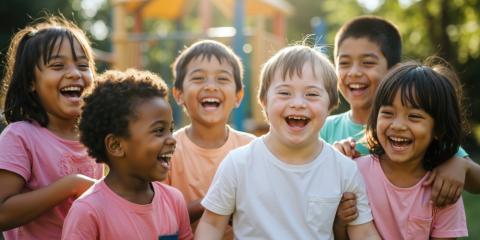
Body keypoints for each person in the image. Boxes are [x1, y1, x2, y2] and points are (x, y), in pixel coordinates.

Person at [195, 45, 380, 239]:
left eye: (312, 94)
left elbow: (364, 233)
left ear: (331, 105)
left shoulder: (343, 169)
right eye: (284, 93)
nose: (298, 103)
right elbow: (212, 225)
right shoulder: (239, 164)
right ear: (264, 102)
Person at [323, 16, 477, 210]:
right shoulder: (324, 128)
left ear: (393, 71)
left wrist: (460, 165)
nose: (354, 72)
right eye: (344, 63)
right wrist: (330, 160)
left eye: (368, 63)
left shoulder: (419, 129)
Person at [0, 16, 103, 240]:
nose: (75, 73)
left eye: (83, 66)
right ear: (31, 82)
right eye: (57, 65)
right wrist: (71, 185)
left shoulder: (98, 137)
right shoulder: (20, 137)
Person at [62, 69, 193, 240]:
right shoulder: (88, 211)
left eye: (171, 130)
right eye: (159, 131)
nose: (172, 140)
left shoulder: (174, 200)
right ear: (116, 145)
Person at [357, 61, 469, 239]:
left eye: (414, 116)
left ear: (438, 129)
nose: (398, 125)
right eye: (387, 113)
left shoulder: (443, 189)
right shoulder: (355, 172)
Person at [166, 40, 255, 238]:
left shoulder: (252, 148)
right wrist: (211, 203)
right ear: (179, 94)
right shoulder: (166, 151)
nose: (210, 87)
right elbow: (160, 218)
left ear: (238, 96)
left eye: (222, 79)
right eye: (198, 78)